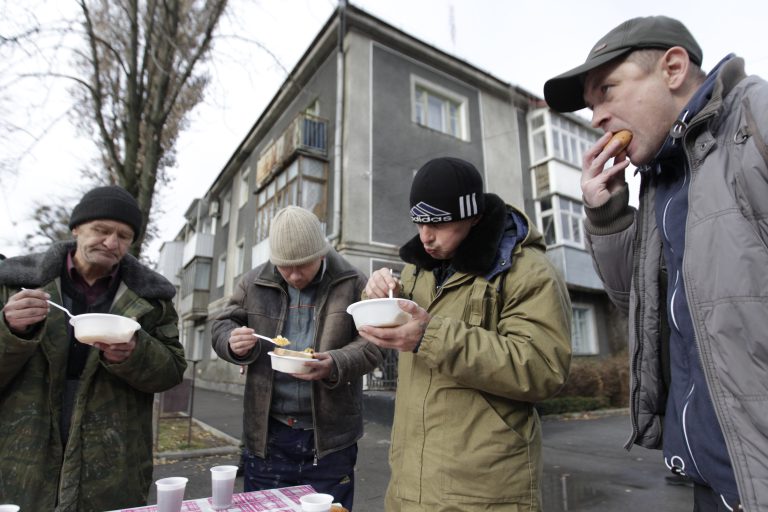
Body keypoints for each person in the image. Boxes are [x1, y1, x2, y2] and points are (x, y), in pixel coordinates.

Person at [544, 15, 768, 511]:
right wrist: (605, 214)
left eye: (607, 89)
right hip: (713, 473)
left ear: (672, 68)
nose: (596, 116)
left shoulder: (754, 116)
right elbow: (639, 308)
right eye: (591, 104)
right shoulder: (660, 181)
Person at [359, 157, 572, 511]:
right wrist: (379, 295)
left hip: (486, 492)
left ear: (473, 217)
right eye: (419, 222)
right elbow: (397, 327)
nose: (425, 237)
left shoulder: (528, 272)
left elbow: (543, 368)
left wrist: (430, 337)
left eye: (439, 224)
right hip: (409, 485)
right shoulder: (417, 271)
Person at [0, 185, 186, 511]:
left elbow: (172, 371)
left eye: (123, 236)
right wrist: (10, 330)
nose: (112, 243)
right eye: (101, 230)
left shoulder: (152, 298)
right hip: (22, 454)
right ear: (76, 229)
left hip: (112, 463)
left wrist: (135, 354)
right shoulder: (16, 283)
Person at [211, 205, 383, 511]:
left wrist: (335, 362)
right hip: (268, 436)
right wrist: (232, 341)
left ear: (321, 253)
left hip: (331, 439)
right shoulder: (252, 282)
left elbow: (374, 343)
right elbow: (223, 325)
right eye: (284, 266)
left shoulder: (351, 280)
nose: (293, 275)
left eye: (302, 265)